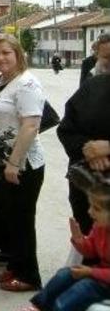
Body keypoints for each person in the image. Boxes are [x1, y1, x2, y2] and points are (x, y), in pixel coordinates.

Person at [0, 34, 47, 292]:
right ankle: (16, 265)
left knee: (21, 219)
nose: (1, 58)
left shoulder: (27, 84)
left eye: (6, 53)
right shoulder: (1, 81)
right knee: (9, 218)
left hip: (22, 165)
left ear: (18, 54)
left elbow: (30, 126)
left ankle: (30, 276)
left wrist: (14, 163)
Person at [25, 186, 110, 311]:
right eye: (91, 206)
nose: (90, 212)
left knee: (81, 289)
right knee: (63, 274)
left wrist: (91, 272)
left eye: (96, 208)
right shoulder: (99, 227)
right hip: (99, 275)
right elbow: (91, 252)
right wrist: (79, 240)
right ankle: (39, 306)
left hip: (104, 280)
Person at [58, 56, 110, 236]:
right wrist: (88, 149)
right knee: (91, 246)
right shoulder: (93, 87)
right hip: (87, 186)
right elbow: (65, 129)